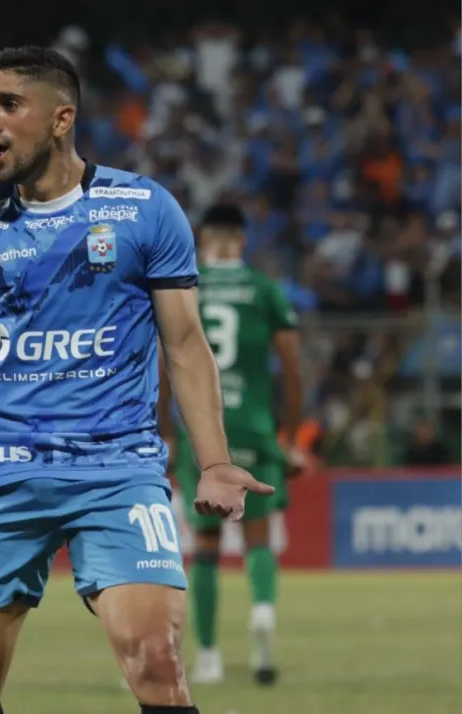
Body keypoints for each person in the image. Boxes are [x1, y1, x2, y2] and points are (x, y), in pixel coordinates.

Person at [0, 46, 273, 714]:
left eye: (9, 104)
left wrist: (214, 462)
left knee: (157, 663)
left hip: (117, 469)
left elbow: (185, 344)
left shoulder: (143, 209)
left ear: (61, 118)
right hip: (2, 471)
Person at [161, 203, 304, 686]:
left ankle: (207, 656)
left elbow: (166, 361)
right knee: (258, 538)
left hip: (201, 429)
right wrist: (289, 436)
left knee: (204, 545)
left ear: (205, 241)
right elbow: (292, 366)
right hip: (256, 426)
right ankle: (262, 611)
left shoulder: (187, 287)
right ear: (242, 241)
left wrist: (166, 430)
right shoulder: (265, 290)